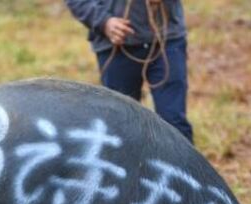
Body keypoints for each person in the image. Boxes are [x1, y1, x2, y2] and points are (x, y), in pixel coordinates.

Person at [65, 0, 193, 143]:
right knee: (121, 126)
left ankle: (186, 165)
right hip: (114, 45)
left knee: (174, 122)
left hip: (167, 39)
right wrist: (103, 21)